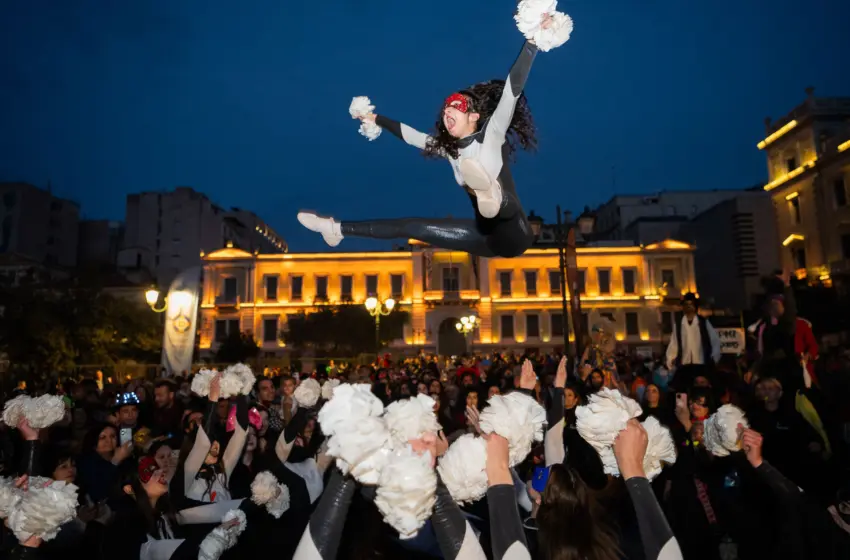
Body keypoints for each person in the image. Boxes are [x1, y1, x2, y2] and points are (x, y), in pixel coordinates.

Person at [297, 12, 564, 258]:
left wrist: (532, 41)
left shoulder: (492, 133)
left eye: (456, 107)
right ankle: (335, 230)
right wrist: (374, 118)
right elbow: (410, 135)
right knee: (411, 226)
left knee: (500, 206)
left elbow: (512, 89)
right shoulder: (450, 149)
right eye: (446, 109)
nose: (448, 112)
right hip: (485, 239)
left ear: (474, 116)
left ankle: (492, 195)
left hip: (515, 232)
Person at [665, 293, 721, 371]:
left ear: (695, 306)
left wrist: (714, 358)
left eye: (691, 304)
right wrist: (671, 359)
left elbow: (714, 341)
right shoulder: (679, 325)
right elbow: (674, 343)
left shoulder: (703, 323)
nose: (688, 306)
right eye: (686, 304)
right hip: (684, 365)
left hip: (701, 364)